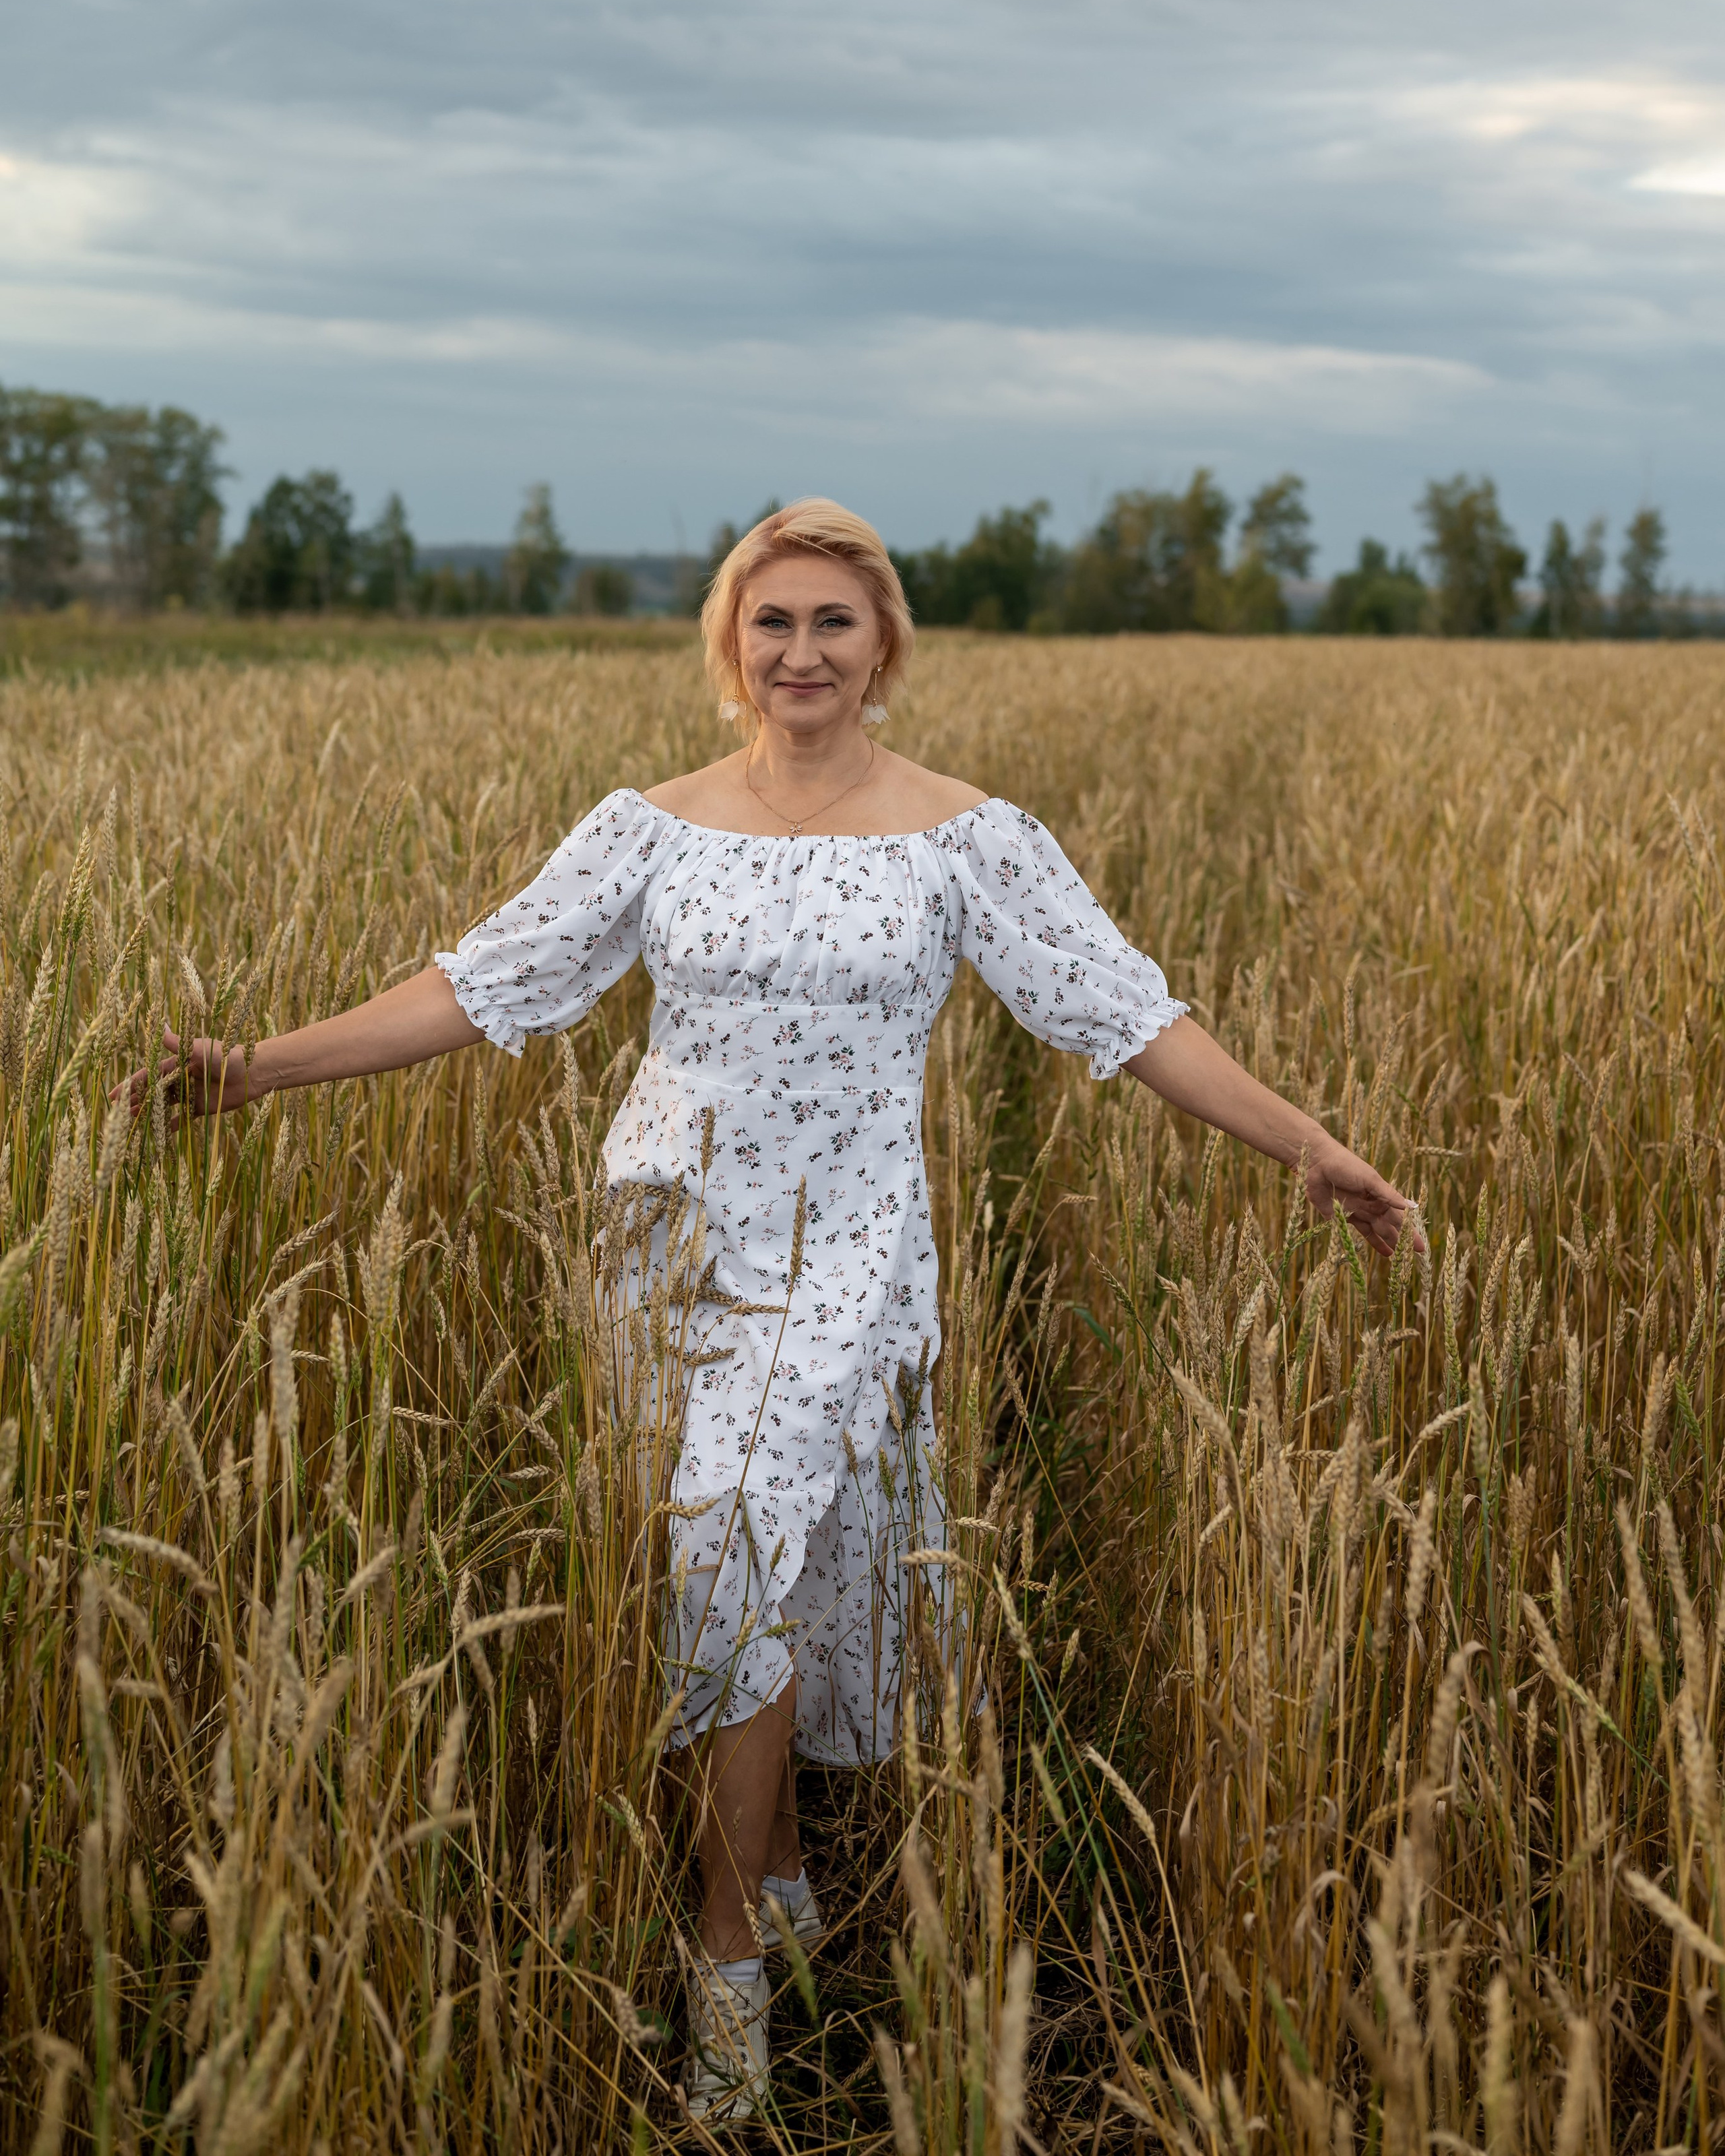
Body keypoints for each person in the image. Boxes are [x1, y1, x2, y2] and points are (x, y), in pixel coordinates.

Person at [121, 497, 1416, 2119]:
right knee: (736, 1570)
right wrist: (255, 1072)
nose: (801, 651)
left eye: (833, 623)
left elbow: (1129, 1012)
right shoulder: (647, 829)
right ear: (731, 646)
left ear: (883, 648)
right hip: (667, 1240)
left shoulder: (963, 838)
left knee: (732, 1540)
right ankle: (786, 1865)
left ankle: (728, 1956)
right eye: (772, 622)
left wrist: (1310, 1145)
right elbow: (478, 984)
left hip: (854, 1247)